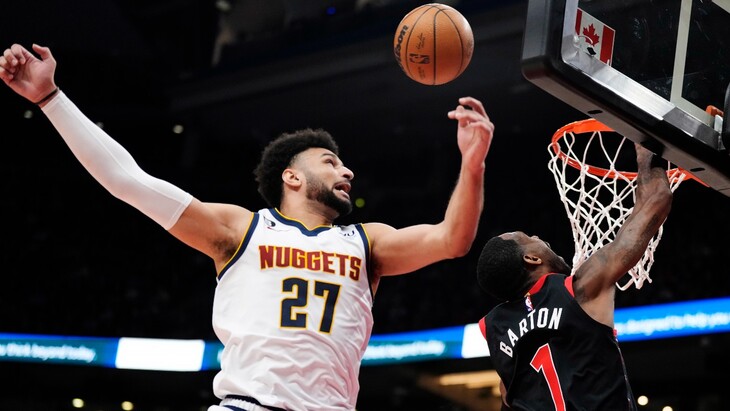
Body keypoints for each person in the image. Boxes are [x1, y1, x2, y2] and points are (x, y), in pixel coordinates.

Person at [0, 43, 494, 411]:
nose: (347, 171)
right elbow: (127, 180)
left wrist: (472, 164)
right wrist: (50, 98)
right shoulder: (242, 229)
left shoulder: (368, 241)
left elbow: (452, 239)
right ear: (292, 177)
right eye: (330, 162)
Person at [475, 143, 672, 410]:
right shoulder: (579, 288)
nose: (537, 236)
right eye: (528, 238)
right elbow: (657, 199)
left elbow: (508, 399)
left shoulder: (497, 333)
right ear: (531, 259)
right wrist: (646, 148)